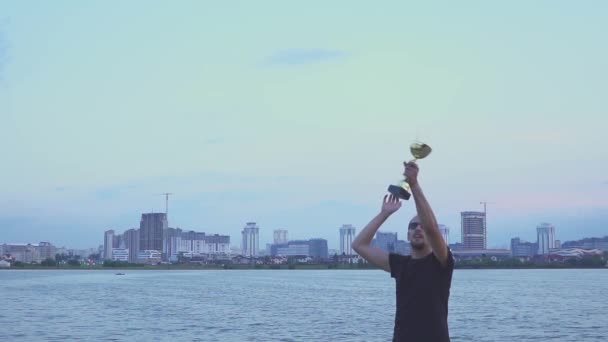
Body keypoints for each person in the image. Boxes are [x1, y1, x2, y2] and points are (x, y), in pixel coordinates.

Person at [351, 161, 454, 342]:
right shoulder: (400, 264)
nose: (418, 229)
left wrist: (413, 184)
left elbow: (431, 227)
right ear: (407, 234)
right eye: (413, 226)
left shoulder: (441, 262)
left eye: (422, 226)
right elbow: (359, 245)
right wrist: (384, 213)